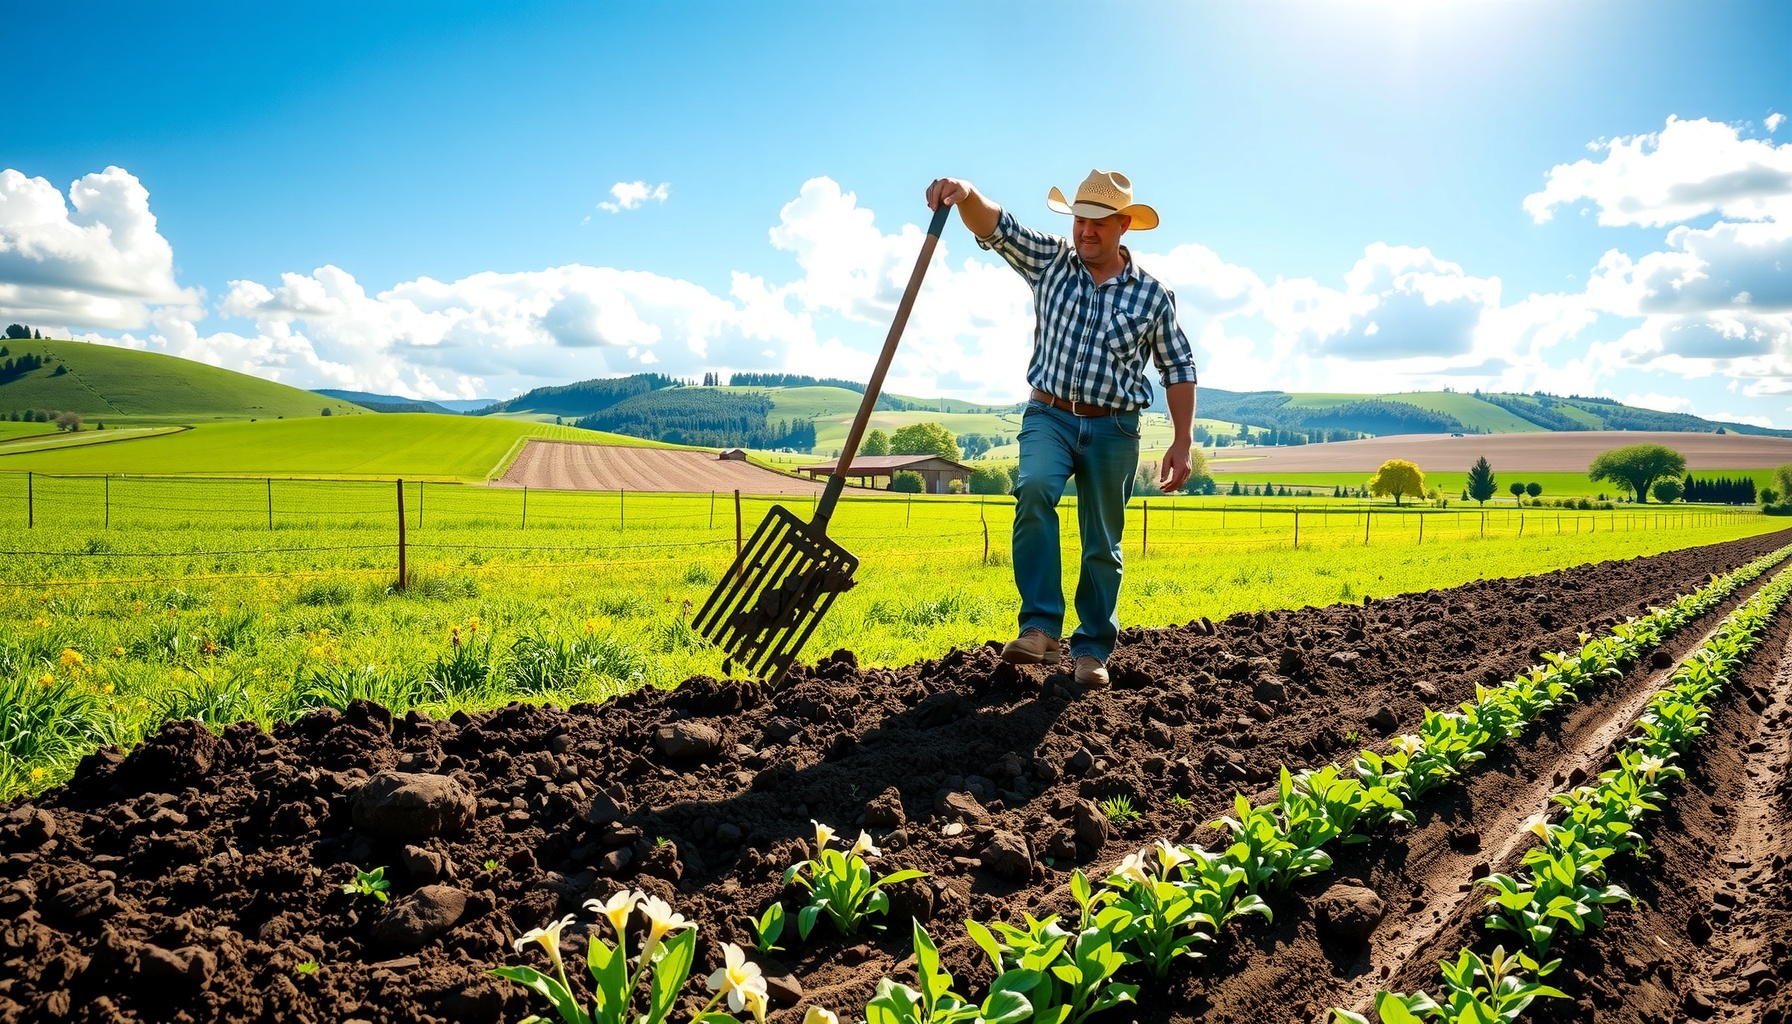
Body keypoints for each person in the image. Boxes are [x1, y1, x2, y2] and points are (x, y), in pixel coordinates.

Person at [926, 170, 1197, 687]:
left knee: (1102, 543)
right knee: (1033, 489)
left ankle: (1091, 650)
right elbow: (998, 227)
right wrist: (964, 192)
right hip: (1048, 413)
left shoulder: (1152, 296)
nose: (1085, 232)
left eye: (1097, 222)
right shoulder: (1051, 262)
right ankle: (1041, 629)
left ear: (1122, 225)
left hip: (1114, 426)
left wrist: (1182, 441)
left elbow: (1178, 368)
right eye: (1079, 220)